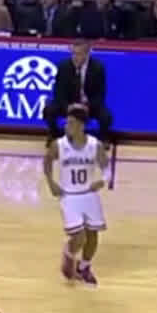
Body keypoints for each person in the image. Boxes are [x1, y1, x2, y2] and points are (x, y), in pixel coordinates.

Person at [43, 105, 110, 285]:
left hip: (89, 194)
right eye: (66, 123)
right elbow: (47, 162)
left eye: (71, 123)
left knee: (93, 236)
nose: (66, 126)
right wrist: (51, 182)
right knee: (79, 237)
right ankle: (69, 253)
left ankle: (84, 267)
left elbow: (106, 168)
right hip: (69, 196)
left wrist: (102, 181)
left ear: (81, 125)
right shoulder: (59, 145)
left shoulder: (94, 145)